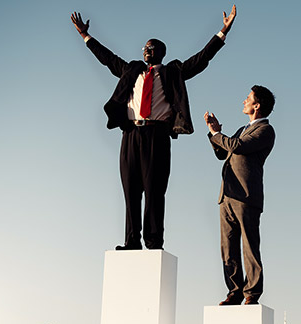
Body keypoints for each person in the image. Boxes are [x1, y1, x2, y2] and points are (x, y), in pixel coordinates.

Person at [70, 6, 237, 250]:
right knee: (130, 190)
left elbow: (201, 59)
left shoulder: (172, 73)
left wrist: (223, 31)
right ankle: (131, 241)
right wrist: (86, 36)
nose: (144, 51)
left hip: (157, 136)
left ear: (159, 52)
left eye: (148, 48)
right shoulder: (131, 69)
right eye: (143, 49)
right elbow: (108, 59)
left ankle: (153, 241)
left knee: (155, 190)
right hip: (131, 134)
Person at [204, 85, 275, 305]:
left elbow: (237, 146)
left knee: (249, 246)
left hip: (246, 196)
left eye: (248, 98)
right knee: (228, 247)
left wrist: (217, 134)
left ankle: (252, 292)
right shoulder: (243, 128)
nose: (244, 101)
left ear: (257, 105)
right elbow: (222, 152)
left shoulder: (264, 130)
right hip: (226, 195)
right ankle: (234, 291)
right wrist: (213, 132)